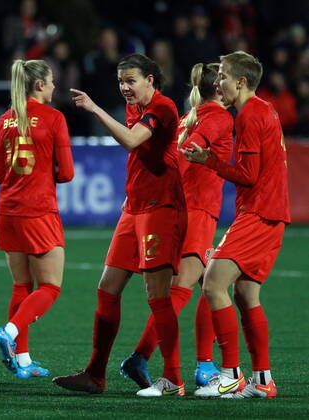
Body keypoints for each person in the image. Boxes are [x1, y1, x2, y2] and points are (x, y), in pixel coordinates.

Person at [53, 53, 186, 397]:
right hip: (134, 208)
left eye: (131, 80)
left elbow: (131, 141)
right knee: (107, 288)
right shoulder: (135, 108)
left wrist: (96, 109)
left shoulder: (164, 107)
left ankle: (173, 379)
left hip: (161, 208)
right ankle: (95, 374)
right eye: (121, 81)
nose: (125, 87)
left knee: (157, 296)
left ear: (151, 80)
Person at [119, 62, 233, 390]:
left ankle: (205, 365)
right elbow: (192, 146)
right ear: (218, 87)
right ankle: (144, 358)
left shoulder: (189, 116)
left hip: (187, 207)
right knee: (182, 292)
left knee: (212, 288)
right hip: (198, 210)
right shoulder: (216, 116)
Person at [183, 51, 290, 399]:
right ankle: (263, 381)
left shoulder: (249, 115)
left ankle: (229, 374)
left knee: (213, 283)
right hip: (270, 213)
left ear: (241, 82)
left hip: (259, 213)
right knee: (245, 294)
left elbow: (248, 174)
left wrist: (208, 160)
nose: (217, 82)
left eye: (224, 76)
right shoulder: (264, 109)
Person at [0, 59, 74, 378]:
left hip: (7, 211)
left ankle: (22, 360)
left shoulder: (3, 121)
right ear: (39, 85)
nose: (54, 87)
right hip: (37, 210)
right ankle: (10, 335)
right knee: (50, 287)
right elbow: (66, 173)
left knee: (21, 285)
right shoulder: (53, 118)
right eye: (51, 82)